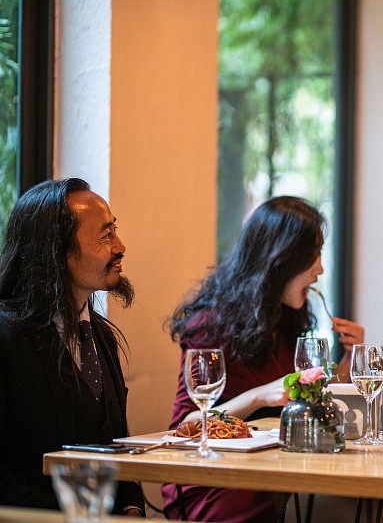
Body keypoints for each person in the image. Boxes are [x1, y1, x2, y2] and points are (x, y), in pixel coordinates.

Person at [161, 196, 364, 523]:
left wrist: (350, 356)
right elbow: (185, 428)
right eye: (313, 256)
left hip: (271, 473)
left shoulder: (284, 318)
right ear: (281, 259)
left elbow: (314, 400)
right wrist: (257, 396)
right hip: (216, 481)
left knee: (357, 503)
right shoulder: (211, 324)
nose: (321, 269)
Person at [0, 178, 144, 515]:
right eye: (105, 234)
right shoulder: (6, 339)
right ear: (56, 251)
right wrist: (84, 515)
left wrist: (132, 509)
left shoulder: (101, 337)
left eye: (115, 230)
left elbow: (116, 450)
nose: (120, 246)